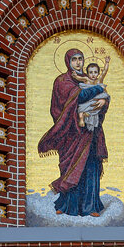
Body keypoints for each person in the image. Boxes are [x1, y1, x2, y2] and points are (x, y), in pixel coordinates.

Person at [37, 48, 109, 217]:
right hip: (70, 133)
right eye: (74, 59)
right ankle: (67, 206)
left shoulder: (88, 76)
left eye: (80, 59)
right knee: (71, 168)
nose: (78, 62)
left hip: (90, 132)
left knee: (90, 168)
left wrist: (104, 100)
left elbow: (103, 96)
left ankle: (90, 207)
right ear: (68, 61)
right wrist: (98, 89)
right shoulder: (62, 80)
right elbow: (77, 97)